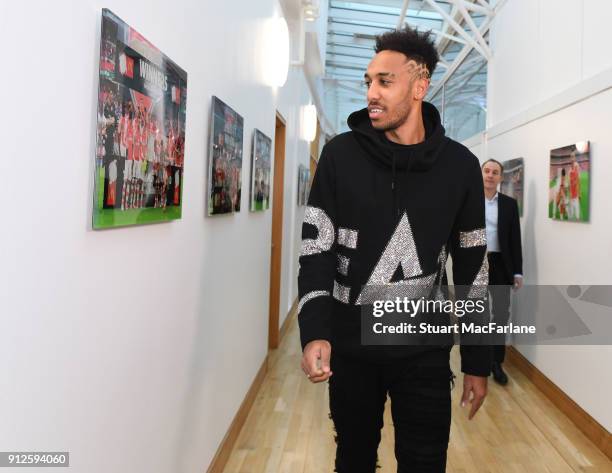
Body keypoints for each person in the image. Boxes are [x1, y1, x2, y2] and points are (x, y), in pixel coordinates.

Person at [297, 27, 490, 473]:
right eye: (368, 81)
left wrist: (478, 360)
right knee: (354, 459)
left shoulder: (461, 167)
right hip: (351, 348)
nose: (372, 93)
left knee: (425, 464)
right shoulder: (340, 156)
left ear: (419, 86)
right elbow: (317, 251)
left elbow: (473, 271)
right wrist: (315, 330)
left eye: (385, 81)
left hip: (424, 351)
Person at [481, 159, 523, 385]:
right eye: (486, 171)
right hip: (475, 264)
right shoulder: (468, 201)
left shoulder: (508, 204)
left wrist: (518, 272)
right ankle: (476, 357)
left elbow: (515, 240)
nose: (490, 175)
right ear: (481, 174)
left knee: (500, 315)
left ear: (500, 178)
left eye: (495, 172)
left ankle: (496, 362)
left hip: (500, 264)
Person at [568, 152, 581, 220]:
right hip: (571, 191)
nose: (572, 158)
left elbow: (578, 179)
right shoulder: (570, 167)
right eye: (571, 157)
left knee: (576, 207)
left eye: (573, 156)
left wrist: (579, 192)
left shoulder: (576, 165)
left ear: (575, 157)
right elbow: (569, 180)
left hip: (575, 191)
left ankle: (577, 218)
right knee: (571, 208)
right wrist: (569, 190)